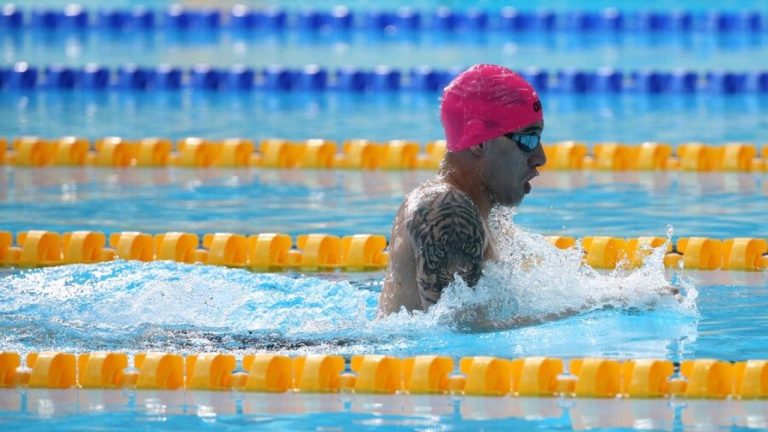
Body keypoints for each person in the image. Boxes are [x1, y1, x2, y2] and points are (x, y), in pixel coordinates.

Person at [379, 64, 546, 315]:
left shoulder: (484, 213)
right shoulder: (448, 209)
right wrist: (584, 312)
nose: (540, 157)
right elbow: (458, 332)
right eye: (528, 140)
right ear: (480, 142)